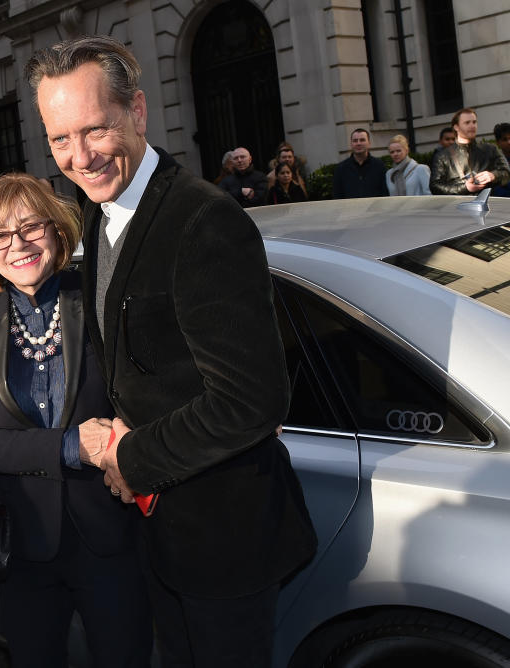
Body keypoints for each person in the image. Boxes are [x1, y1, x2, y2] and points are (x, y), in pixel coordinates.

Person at [26, 35, 316, 667]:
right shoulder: (101, 213)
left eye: (95, 130)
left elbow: (251, 402)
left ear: (137, 113)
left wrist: (133, 457)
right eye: (59, 139)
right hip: (157, 537)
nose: (79, 157)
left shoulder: (202, 220)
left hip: (222, 542)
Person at [0, 173, 152, 668]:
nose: (17, 244)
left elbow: (147, 389)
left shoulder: (100, 298)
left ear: (58, 232)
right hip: (24, 545)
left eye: (31, 227)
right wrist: (69, 446)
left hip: (111, 536)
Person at [430, 108, 510, 195]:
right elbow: (435, 186)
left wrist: (493, 175)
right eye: (467, 123)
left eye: (474, 122)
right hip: (457, 206)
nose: (472, 126)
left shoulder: (490, 149)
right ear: (456, 127)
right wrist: (465, 188)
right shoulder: (442, 156)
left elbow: (507, 173)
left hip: (487, 204)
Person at [332, 128, 388, 198]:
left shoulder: (380, 166)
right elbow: (337, 196)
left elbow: (385, 194)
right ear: (351, 144)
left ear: (369, 143)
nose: (358, 143)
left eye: (362, 140)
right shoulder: (340, 169)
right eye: (355, 141)